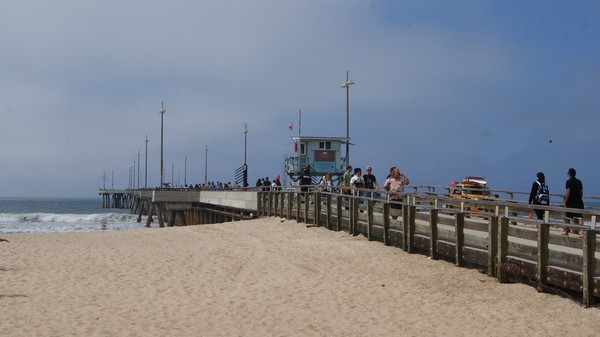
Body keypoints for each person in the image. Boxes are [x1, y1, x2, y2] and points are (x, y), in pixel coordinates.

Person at [562, 168, 584, 237]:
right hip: (579, 201)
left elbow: (568, 192)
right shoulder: (579, 181)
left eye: (568, 173)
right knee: (580, 218)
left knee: (567, 217)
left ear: (569, 174)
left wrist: (565, 202)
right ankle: (582, 232)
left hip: (571, 201)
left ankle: (566, 232)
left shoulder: (568, 182)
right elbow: (581, 192)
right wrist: (579, 198)